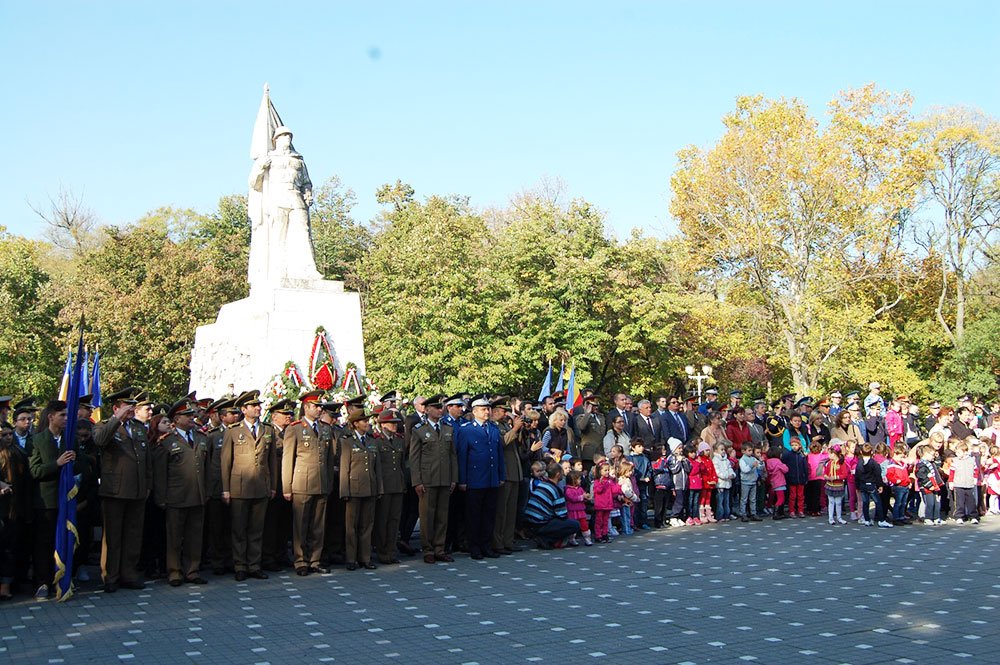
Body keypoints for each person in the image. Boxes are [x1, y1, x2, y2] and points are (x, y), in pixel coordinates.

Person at [28, 400, 93, 599]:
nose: (66, 419)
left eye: (67, 415)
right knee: (44, 542)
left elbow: (82, 468)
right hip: (47, 501)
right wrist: (56, 464)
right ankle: (43, 582)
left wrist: (76, 460)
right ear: (51, 417)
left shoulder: (70, 439)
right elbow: (35, 471)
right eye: (62, 415)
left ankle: (63, 579)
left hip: (67, 499)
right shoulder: (38, 440)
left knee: (65, 541)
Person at [94, 387, 152, 593]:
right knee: (113, 536)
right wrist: (116, 419)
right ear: (117, 408)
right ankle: (110, 576)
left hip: (136, 489)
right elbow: (99, 441)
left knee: (133, 534)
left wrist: (147, 484)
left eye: (132, 408)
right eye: (127, 408)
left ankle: (129, 573)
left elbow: (145, 459)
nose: (131, 412)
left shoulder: (137, 428)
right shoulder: (104, 426)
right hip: (115, 490)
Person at [222, 390, 277, 581]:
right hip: (239, 486)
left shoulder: (267, 430)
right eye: (254, 406)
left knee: (256, 530)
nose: (258, 408)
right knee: (239, 529)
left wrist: (272, 486)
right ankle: (240, 566)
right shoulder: (233, 431)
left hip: (261, 486)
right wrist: (226, 489)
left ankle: (254, 565)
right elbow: (226, 462)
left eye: (258, 405)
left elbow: (272, 462)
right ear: (244, 409)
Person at [154, 399, 210, 587]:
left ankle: (192, 570)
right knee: (174, 537)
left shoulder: (201, 437)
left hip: (198, 495)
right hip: (176, 496)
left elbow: (207, 468)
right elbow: (161, 473)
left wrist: (207, 491)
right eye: (187, 416)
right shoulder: (166, 441)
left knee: (195, 536)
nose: (192, 418)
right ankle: (174, 571)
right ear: (176, 419)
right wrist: (161, 498)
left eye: (192, 415)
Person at [282, 391, 336, 576]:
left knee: (318, 525)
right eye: (316, 406)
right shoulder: (295, 428)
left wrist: (328, 483)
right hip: (302, 483)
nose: (320, 409)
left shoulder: (325, 428)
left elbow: (329, 460)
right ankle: (300, 560)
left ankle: (315, 559)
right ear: (306, 407)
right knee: (301, 525)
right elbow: (288, 459)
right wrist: (286, 487)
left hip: (321, 483)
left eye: (321, 406)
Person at [409, 395, 458, 564]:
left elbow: (453, 456)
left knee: (442, 516)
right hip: (427, 479)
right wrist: (417, 481)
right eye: (436, 408)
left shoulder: (447, 428)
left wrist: (454, 478)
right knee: (427, 516)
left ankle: (439, 548)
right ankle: (428, 549)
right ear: (427, 409)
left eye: (441, 407)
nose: (440, 410)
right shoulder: (419, 429)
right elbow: (414, 458)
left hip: (444, 478)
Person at [455, 398, 505, 560]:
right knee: (474, 515)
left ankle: (486, 545)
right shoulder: (466, 430)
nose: (487, 412)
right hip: (475, 479)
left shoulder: (493, 429)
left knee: (489, 514)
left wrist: (501, 475)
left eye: (488, 409)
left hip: (491, 478)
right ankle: (474, 547)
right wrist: (462, 480)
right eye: (483, 409)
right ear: (474, 411)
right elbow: (462, 456)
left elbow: (498, 455)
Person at [339, 410, 382, 570]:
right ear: (355, 423)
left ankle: (365, 558)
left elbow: (377, 468)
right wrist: (344, 491)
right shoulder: (347, 442)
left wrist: (379, 488)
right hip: (353, 489)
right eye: (364, 421)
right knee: (352, 526)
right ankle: (351, 559)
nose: (367, 423)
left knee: (367, 525)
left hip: (370, 488)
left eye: (368, 421)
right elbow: (345, 469)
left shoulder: (372, 441)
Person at [204, 398, 237, 576]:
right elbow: (207, 463)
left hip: (236, 485)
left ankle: (231, 559)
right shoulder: (213, 435)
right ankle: (218, 561)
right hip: (217, 487)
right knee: (217, 527)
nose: (236, 416)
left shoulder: (240, 433)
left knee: (233, 526)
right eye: (232, 414)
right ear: (223, 417)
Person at [0, 426, 30, 601]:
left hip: (12, 506)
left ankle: (6, 585)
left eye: (10, 434)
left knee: (9, 549)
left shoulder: (17, 452)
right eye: (4, 435)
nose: (8, 437)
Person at [373, 410, 406, 565]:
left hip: (397, 485)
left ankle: (391, 551)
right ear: (383, 424)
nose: (395, 426)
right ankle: (382, 551)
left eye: (396, 423)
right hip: (384, 486)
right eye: (392, 423)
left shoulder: (399, 440)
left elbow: (401, 465)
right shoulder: (376, 440)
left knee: (394, 520)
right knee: (382, 520)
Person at [492, 400, 524, 555]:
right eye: (502, 411)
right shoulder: (493, 426)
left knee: (511, 510)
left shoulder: (505, 425)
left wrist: (518, 428)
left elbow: (516, 443)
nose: (505, 414)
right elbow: (502, 443)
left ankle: (508, 540)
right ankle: (498, 542)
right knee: (501, 511)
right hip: (504, 472)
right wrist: (515, 428)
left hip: (514, 471)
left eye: (506, 411)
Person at [524, 463, 579, 548]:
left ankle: (544, 537)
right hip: (541, 523)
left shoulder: (542, 484)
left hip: (530, 520)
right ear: (557, 474)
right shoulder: (556, 490)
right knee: (574, 525)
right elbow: (562, 515)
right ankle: (547, 539)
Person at [855, 443, 891, 528]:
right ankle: (881, 520)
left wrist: (857, 486)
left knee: (865, 502)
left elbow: (857, 476)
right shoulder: (874, 463)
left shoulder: (859, 463)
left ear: (861, 452)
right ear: (871, 452)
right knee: (878, 502)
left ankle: (867, 520)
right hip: (871, 485)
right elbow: (878, 475)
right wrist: (880, 485)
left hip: (863, 485)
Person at [948, 441, 980, 524]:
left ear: (965, 452)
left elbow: (976, 470)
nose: (957, 454)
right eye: (956, 452)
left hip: (969, 483)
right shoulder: (955, 461)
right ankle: (959, 516)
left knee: (971, 501)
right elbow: (952, 472)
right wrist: (951, 482)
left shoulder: (971, 460)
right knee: (959, 502)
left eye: (959, 452)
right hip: (958, 484)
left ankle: (973, 516)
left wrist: (975, 478)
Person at [590, 463, 621, 543]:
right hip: (600, 504)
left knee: (605, 521)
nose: (607, 472)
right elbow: (598, 491)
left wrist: (618, 485)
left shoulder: (609, 481)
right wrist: (602, 483)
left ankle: (604, 534)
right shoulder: (597, 481)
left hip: (608, 504)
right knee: (599, 521)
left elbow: (614, 491)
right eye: (605, 470)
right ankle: (598, 535)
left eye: (608, 470)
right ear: (600, 471)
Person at [574, 395, 606, 472]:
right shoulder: (581, 417)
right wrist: (587, 414)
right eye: (593, 405)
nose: (596, 407)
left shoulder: (601, 417)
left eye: (597, 405)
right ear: (586, 406)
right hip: (588, 454)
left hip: (600, 452)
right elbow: (582, 426)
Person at [915, 445, 943, 524]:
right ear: (926, 454)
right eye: (932, 455)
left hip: (935, 486)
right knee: (930, 503)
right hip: (927, 487)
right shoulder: (921, 465)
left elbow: (938, 466)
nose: (933, 457)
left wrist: (937, 458)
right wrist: (929, 485)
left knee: (937, 502)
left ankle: (936, 517)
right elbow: (922, 476)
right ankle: (928, 518)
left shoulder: (931, 462)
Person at [781, 438, 809, 518]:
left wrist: (806, 477)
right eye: (792, 445)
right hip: (792, 478)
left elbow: (805, 467)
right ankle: (792, 511)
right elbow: (784, 465)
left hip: (801, 478)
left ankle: (800, 510)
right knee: (792, 496)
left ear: (799, 445)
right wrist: (787, 476)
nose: (794, 447)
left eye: (796, 445)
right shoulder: (788, 455)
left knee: (800, 496)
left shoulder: (802, 455)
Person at [563, 470, 592, 545]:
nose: (580, 480)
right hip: (572, 511)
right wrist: (582, 497)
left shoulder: (580, 488)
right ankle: (572, 538)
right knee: (573, 525)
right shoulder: (568, 490)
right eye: (579, 479)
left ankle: (587, 538)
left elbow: (583, 496)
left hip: (581, 510)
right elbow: (573, 498)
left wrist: (586, 497)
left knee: (584, 525)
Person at [738, 444, 763, 522]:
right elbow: (744, 470)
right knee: (744, 499)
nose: (751, 452)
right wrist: (751, 466)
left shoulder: (753, 458)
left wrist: (761, 462)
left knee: (753, 499)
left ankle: (753, 513)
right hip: (745, 482)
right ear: (743, 451)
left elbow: (760, 467)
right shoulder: (742, 460)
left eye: (751, 450)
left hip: (753, 481)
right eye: (749, 450)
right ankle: (743, 514)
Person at [823, 448, 848, 525]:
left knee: (838, 502)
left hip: (838, 485)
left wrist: (836, 477)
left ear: (835, 454)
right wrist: (826, 476)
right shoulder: (829, 463)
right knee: (831, 501)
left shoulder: (841, 463)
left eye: (830, 454)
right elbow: (825, 472)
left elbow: (844, 475)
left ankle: (839, 517)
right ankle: (830, 518)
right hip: (830, 485)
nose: (829, 455)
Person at [712, 443, 735, 521]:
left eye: (724, 449)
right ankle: (720, 516)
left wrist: (732, 474)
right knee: (720, 501)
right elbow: (717, 472)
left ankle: (726, 515)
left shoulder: (726, 460)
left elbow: (730, 468)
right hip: (720, 484)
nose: (723, 451)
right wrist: (726, 476)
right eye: (721, 449)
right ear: (716, 451)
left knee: (726, 500)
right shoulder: (715, 460)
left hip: (727, 483)